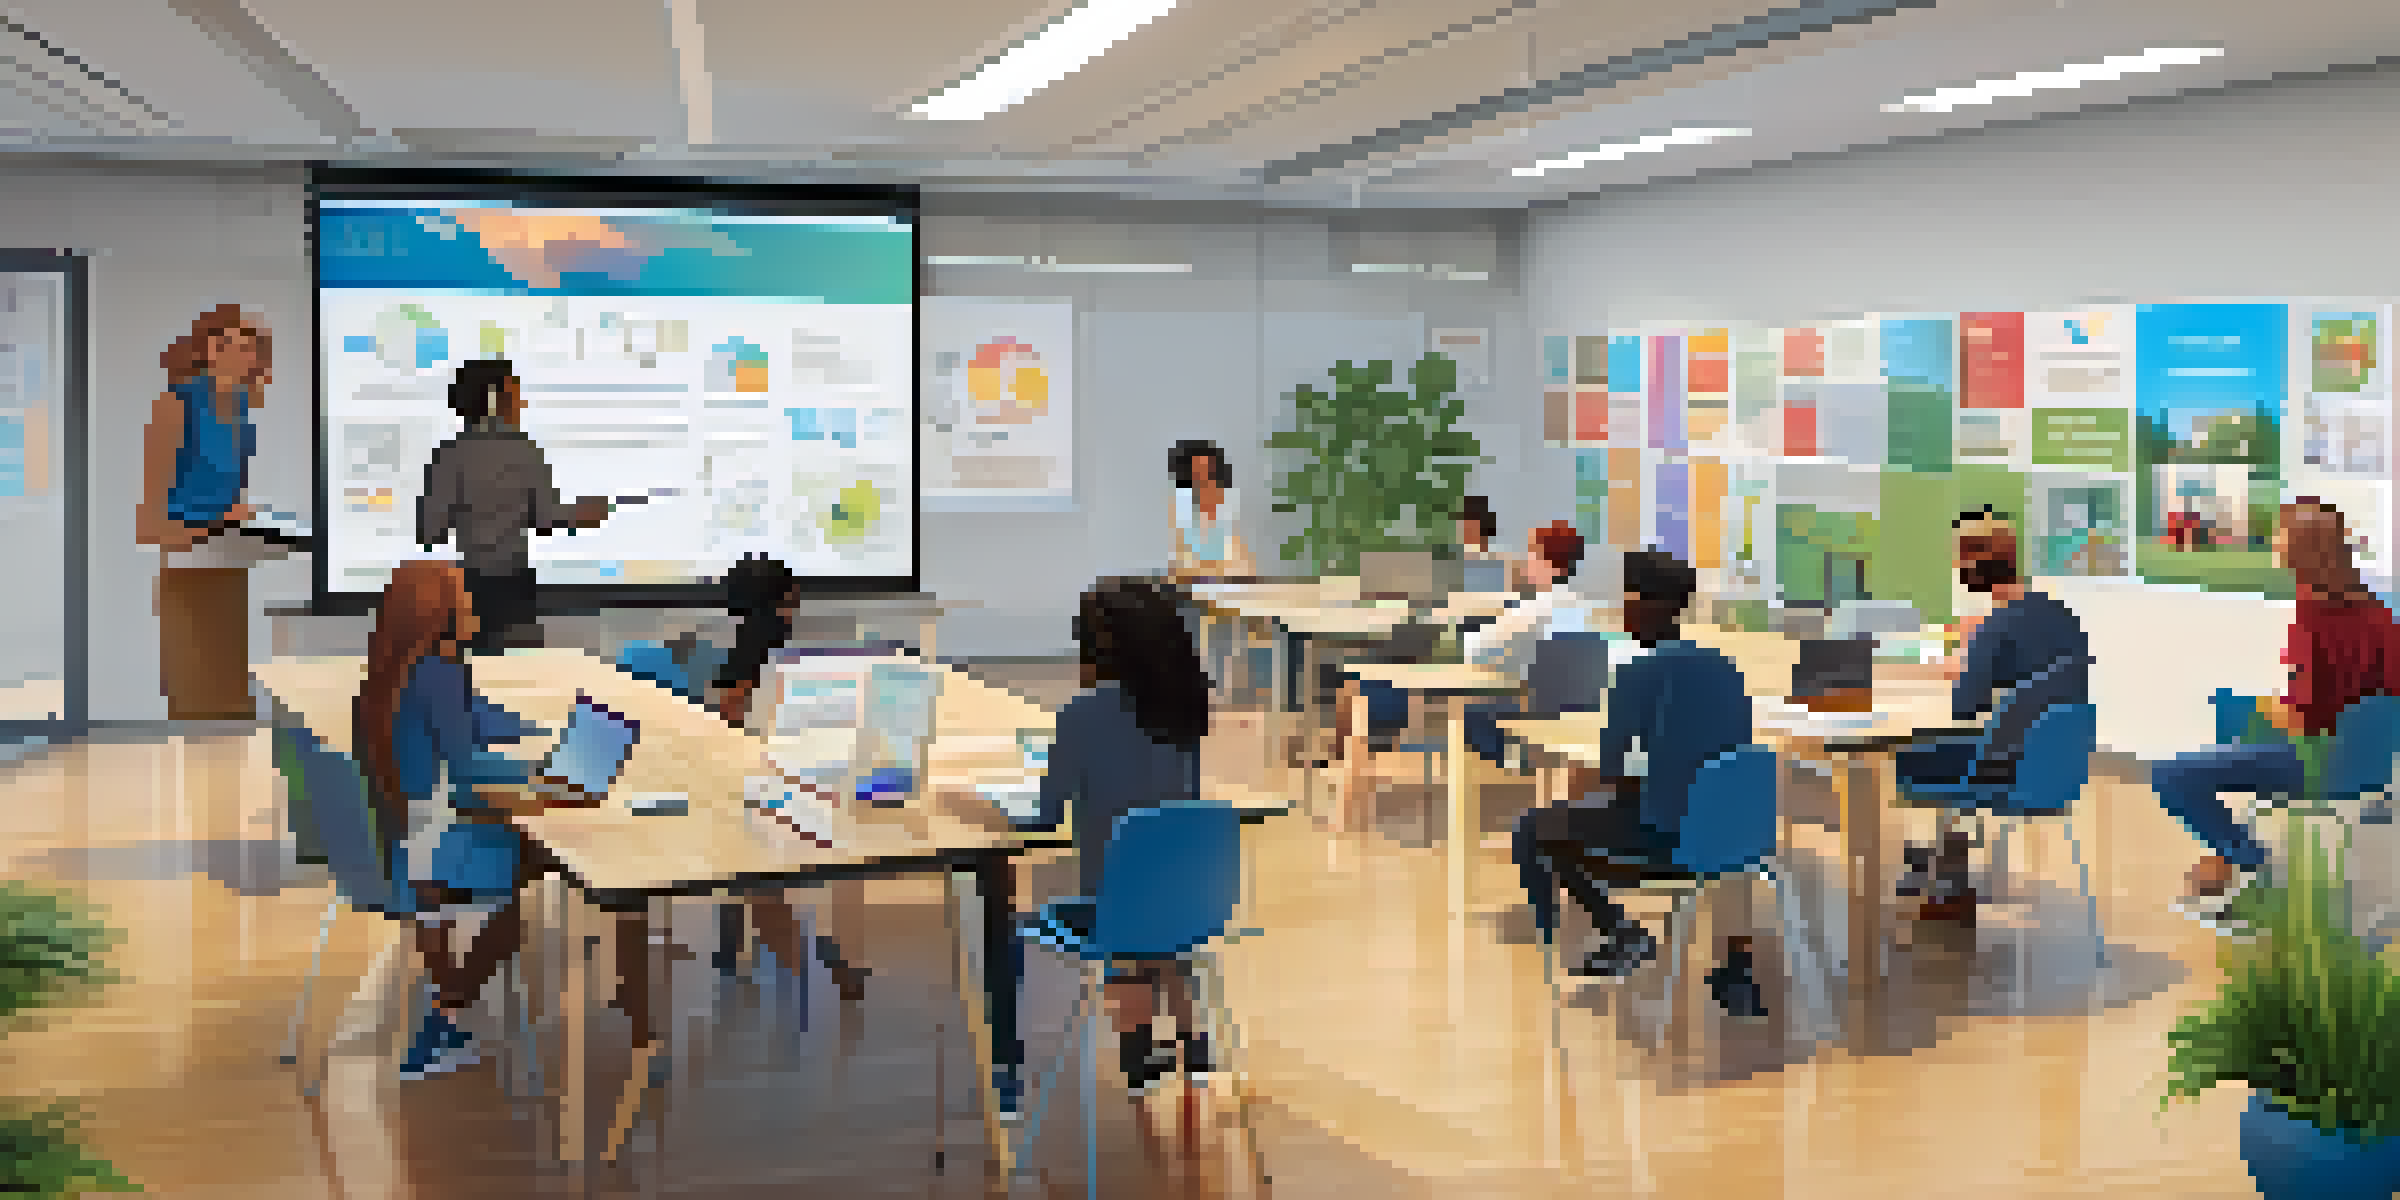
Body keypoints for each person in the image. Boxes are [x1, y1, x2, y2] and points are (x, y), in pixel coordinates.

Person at [353, 561, 593, 1079]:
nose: (471, 607)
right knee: (542, 870)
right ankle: (443, 1018)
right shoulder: (441, 673)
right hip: (442, 841)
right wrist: (545, 778)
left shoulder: (387, 676)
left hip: (405, 842)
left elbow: (473, 718)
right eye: (462, 597)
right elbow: (468, 769)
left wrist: (531, 733)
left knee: (525, 854)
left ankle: (444, 1011)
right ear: (441, 613)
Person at [1511, 549, 1762, 1016]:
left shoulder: (1635, 674)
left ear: (1643, 603)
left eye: (1626, 599)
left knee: (1535, 830)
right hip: (1733, 839)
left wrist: (1648, 785)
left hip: (1670, 844)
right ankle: (1735, 965)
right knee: (1594, 818)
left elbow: (1609, 772)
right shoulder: (1724, 667)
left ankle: (1603, 939)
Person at [1012, 577, 1218, 1104]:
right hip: (1193, 900)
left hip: (1115, 909)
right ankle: (1196, 1046)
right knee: (1168, 933)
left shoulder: (1079, 718)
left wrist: (998, 811)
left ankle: (1138, 1055)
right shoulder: (1185, 712)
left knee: (1120, 937)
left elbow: (1046, 816)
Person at [2151, 498, 2400, 928]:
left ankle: (2253, 866)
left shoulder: (2312, 617)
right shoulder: (2379, 614)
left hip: (2317, 761)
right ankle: (2227, 865)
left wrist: (2264, 707)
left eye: (2280, 534)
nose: (2274, 542)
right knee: (2238, 738)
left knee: (2171, 774)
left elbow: (2304, 720)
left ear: (2302, 548)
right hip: (2364, 766)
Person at [1891, 507, 2094, 923]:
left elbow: (1963, 707)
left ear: (1973, 564)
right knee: (1955, 750)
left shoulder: (1998, 624)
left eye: (1959, 559)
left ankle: (1940, 874)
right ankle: (1943, 872)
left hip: (2009, 772)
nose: (1955, 567)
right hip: (2056, 768)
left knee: (1915, 757)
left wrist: (1973, 653)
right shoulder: (2059, 615)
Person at [1337, 521, 1587, 831]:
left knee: (1418, 681)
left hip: (1514, 726)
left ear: (1548, 562)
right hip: (1560, 723)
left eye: (1532, 553)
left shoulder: (1532, 612)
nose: (1525, 561)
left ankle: (1374, 748)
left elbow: (1477, 647)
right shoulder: (1580, 610)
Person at [704, 553, 869, 997]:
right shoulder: (766, 635)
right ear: (787, 596)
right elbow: (732, 707)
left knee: (765, 882)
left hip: (767, 772)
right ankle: (815, 977)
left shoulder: (749, 633)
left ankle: (816, 967)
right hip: (767, 775)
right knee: (764, 888)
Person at [417, 358, 612, 654]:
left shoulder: (449, 453)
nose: (522, 404)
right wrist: (583, 514)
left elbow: (429, 530)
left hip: (465, 588)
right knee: (516, 674)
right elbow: (548, 518)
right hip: (513, 587)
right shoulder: (524, 449)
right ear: (496, 399)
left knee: (470, 672)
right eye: (516, 394)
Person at [139, 305, 272, 720]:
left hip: (227, 566)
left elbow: (225, 497)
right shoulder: (176, 404)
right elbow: (151, 521)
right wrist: (216, 522)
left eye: (246, 345)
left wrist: (240, 519)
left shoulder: (242, 412)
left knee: (232, 701)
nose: (236, 352)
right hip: (188, 570)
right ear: (206, 350)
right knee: (197, 698)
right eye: (225, 342)